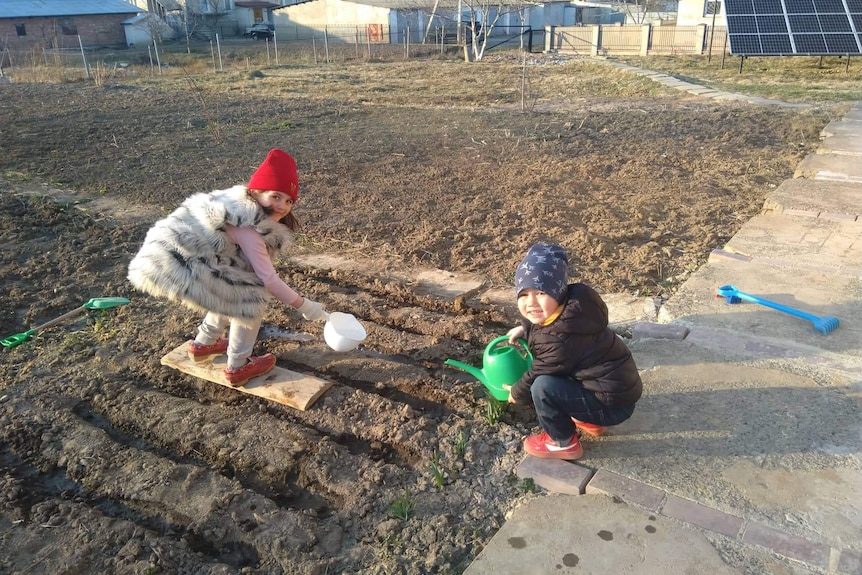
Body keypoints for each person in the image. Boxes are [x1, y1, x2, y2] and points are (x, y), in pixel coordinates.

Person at [127, 149, 328, 387]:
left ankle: (203, 345)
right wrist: (306, 307)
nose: (283, 206)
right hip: (178, 263)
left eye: (288, 201)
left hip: (172, 255)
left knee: (230, 282)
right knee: (250, 297)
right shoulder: (249, 227)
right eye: (276, 196)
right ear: (255, 191)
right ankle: (238, 366)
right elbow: (270, 280)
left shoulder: (235, 202)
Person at [502, 243, 642, 460]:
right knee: (563, 375)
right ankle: (589, 419)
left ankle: (561, 443)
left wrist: (516, 392)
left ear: (557, 292)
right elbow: (546, 326)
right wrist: (525, 327)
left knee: (543, 386)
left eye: (540, 293)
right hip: (613, 393)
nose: (531, 303)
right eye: (523, 295)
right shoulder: (575, 309)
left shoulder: (560, 340)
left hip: (612, 406)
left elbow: (538, 372)